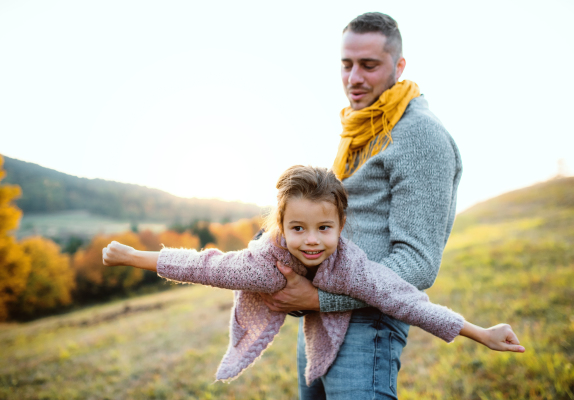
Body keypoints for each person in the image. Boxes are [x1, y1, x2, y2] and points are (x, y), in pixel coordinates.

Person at [103, 166, 524, 394]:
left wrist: (480, 333)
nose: (311, 241)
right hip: (313, 342)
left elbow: (408, 303)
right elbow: (206, 267)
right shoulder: (265, 264)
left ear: (342, 226)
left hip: (346, 336)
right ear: (281, 228)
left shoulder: (352, 267)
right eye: (298, 228)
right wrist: (133, 256)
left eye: (324, 228)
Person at [255, 12, 465, 399]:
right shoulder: (360, 127)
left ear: (399, 66)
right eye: (346, 64)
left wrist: (320, 296)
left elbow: (417, 264)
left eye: (369, 65)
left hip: (367, 325)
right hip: (321, 323)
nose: (353, 78)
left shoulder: (420, 136)